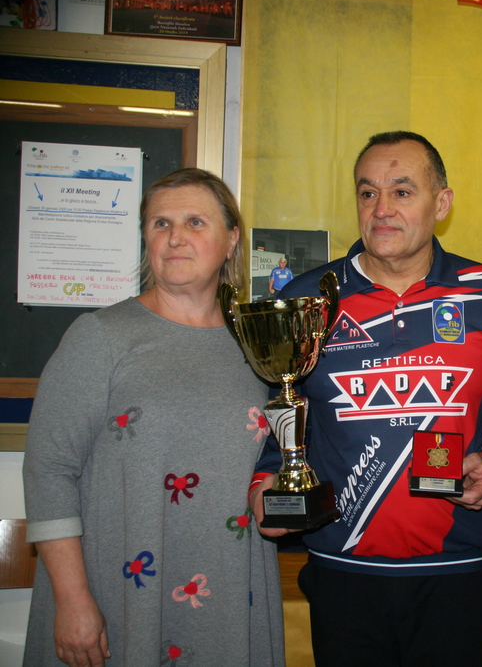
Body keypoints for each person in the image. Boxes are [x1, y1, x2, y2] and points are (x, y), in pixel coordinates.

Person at [249, 131, 482, 666]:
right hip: (342, 573)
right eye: (367, 192)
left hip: (455, 573)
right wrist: (266, 488)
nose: (381, 209)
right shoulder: (307, 298)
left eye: (402, 191)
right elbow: (277, 415)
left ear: (441, 203)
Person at [22, 168, 285, 666]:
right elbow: (49, 470)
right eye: (161, 223)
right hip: (120, 589)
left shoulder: (258, 345)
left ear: (231, 239)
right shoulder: (100, 336)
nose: (175, 237)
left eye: (194, 222)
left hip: (231, 590)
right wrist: (72, 598)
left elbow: (269, 461)